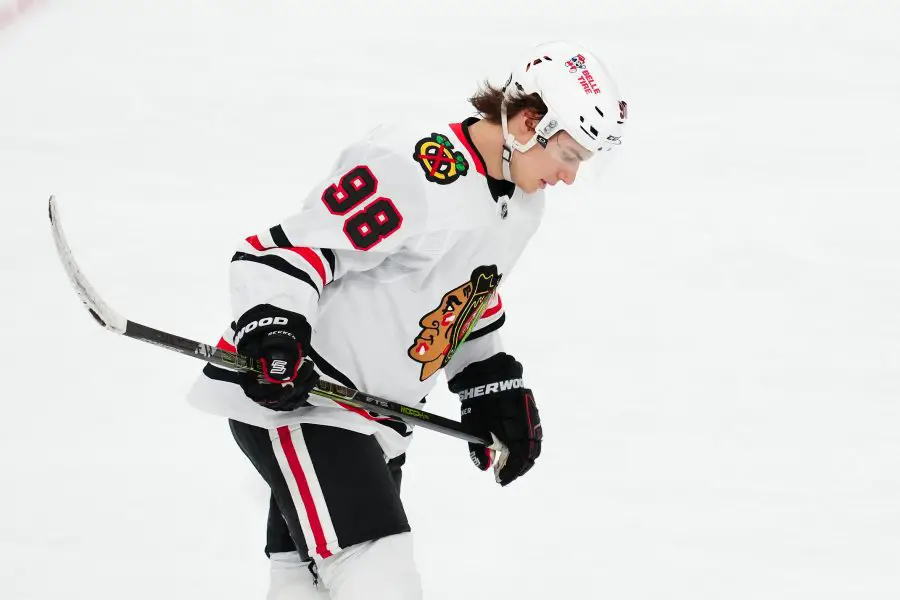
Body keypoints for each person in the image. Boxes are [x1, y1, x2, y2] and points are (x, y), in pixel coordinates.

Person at [187, 40, 628, 600]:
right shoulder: (416, 169)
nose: (569, 178)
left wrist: (491, 386)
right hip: (307, 402)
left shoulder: (521, 206)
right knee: (381, 578)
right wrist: (274, 335)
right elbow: (289, 252)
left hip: (376, 421)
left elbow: (468, 297)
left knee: (307, 587)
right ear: (527, 122)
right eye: (568, 156)